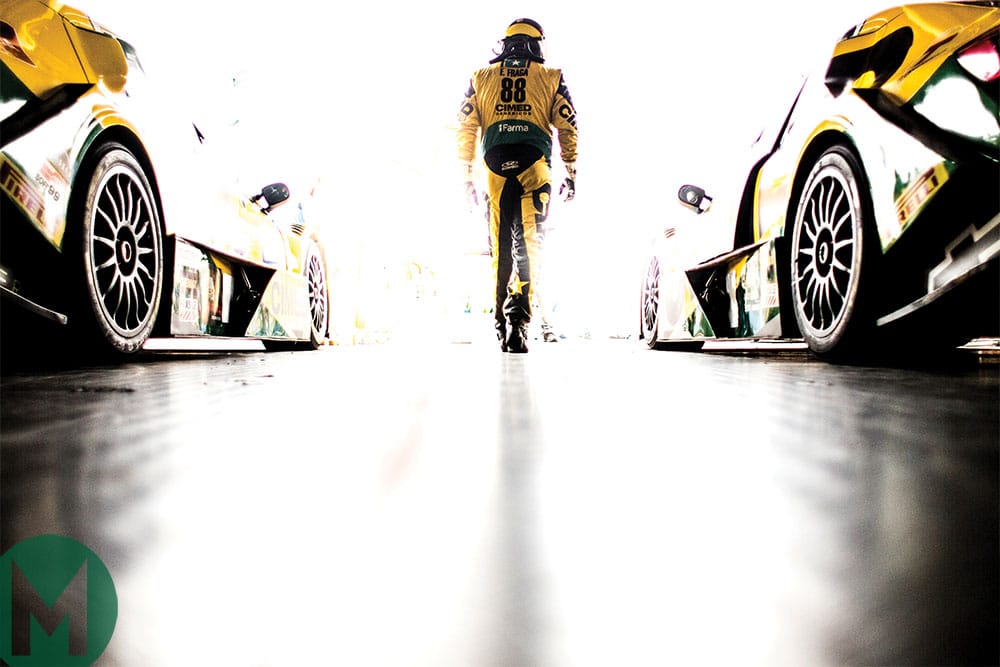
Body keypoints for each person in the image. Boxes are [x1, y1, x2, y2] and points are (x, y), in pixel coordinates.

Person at [456, 17, 578, 353]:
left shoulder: (480, 77)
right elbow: (568, 125)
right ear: (536, 43)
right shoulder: (552, 76)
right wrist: (571, 170)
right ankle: (519, 326)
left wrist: (466, 175)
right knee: (529, 246)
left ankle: (499, 323)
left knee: (499, 249)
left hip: (493, 168)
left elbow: (465, 127)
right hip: (535, 166)